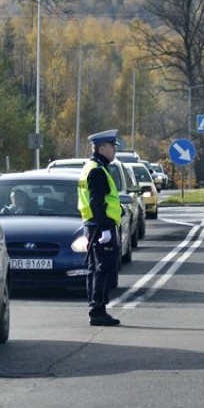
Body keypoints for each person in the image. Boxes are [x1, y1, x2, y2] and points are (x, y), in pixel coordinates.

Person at [78, 128, 123, 327]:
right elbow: (97, 202)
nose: (115, 150)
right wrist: (105, 228)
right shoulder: (97, 170)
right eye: (112, 146)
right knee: (103, 269)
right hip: (100, 226)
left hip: (93, 225)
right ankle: (98, 311)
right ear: (102, 147)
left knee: (94, 269)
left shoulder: (92, 166)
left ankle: (96, 309)